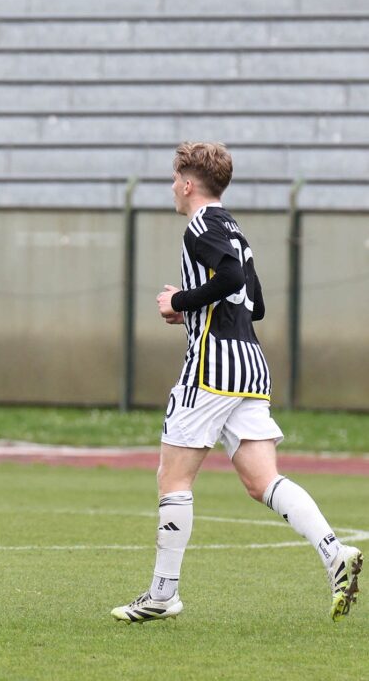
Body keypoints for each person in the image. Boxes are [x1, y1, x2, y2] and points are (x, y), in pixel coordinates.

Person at [111, 142, 362, 623]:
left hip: (212, 367)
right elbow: (255, 303)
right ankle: (336, 553)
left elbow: (227, 277)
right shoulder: (233, 228)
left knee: (173, 479)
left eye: (175, 179)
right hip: (250, 364)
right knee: (262, 481)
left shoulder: (201, 225)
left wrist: (180, 301)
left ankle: (162, 594)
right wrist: (196, 306)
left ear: (188, 184)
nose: (172, 187)